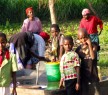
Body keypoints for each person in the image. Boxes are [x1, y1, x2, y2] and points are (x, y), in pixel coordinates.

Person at [76, 28, 100, 95]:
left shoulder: (94, 45)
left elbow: (93, 57)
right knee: (85, 92)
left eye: (85, 37)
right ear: (79, 39)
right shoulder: (79, 49)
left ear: (88, 36)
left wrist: (89, 45)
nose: (83, 40)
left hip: (93, 74)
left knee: (96, 92)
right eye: (81, 38)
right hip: (84, 75)